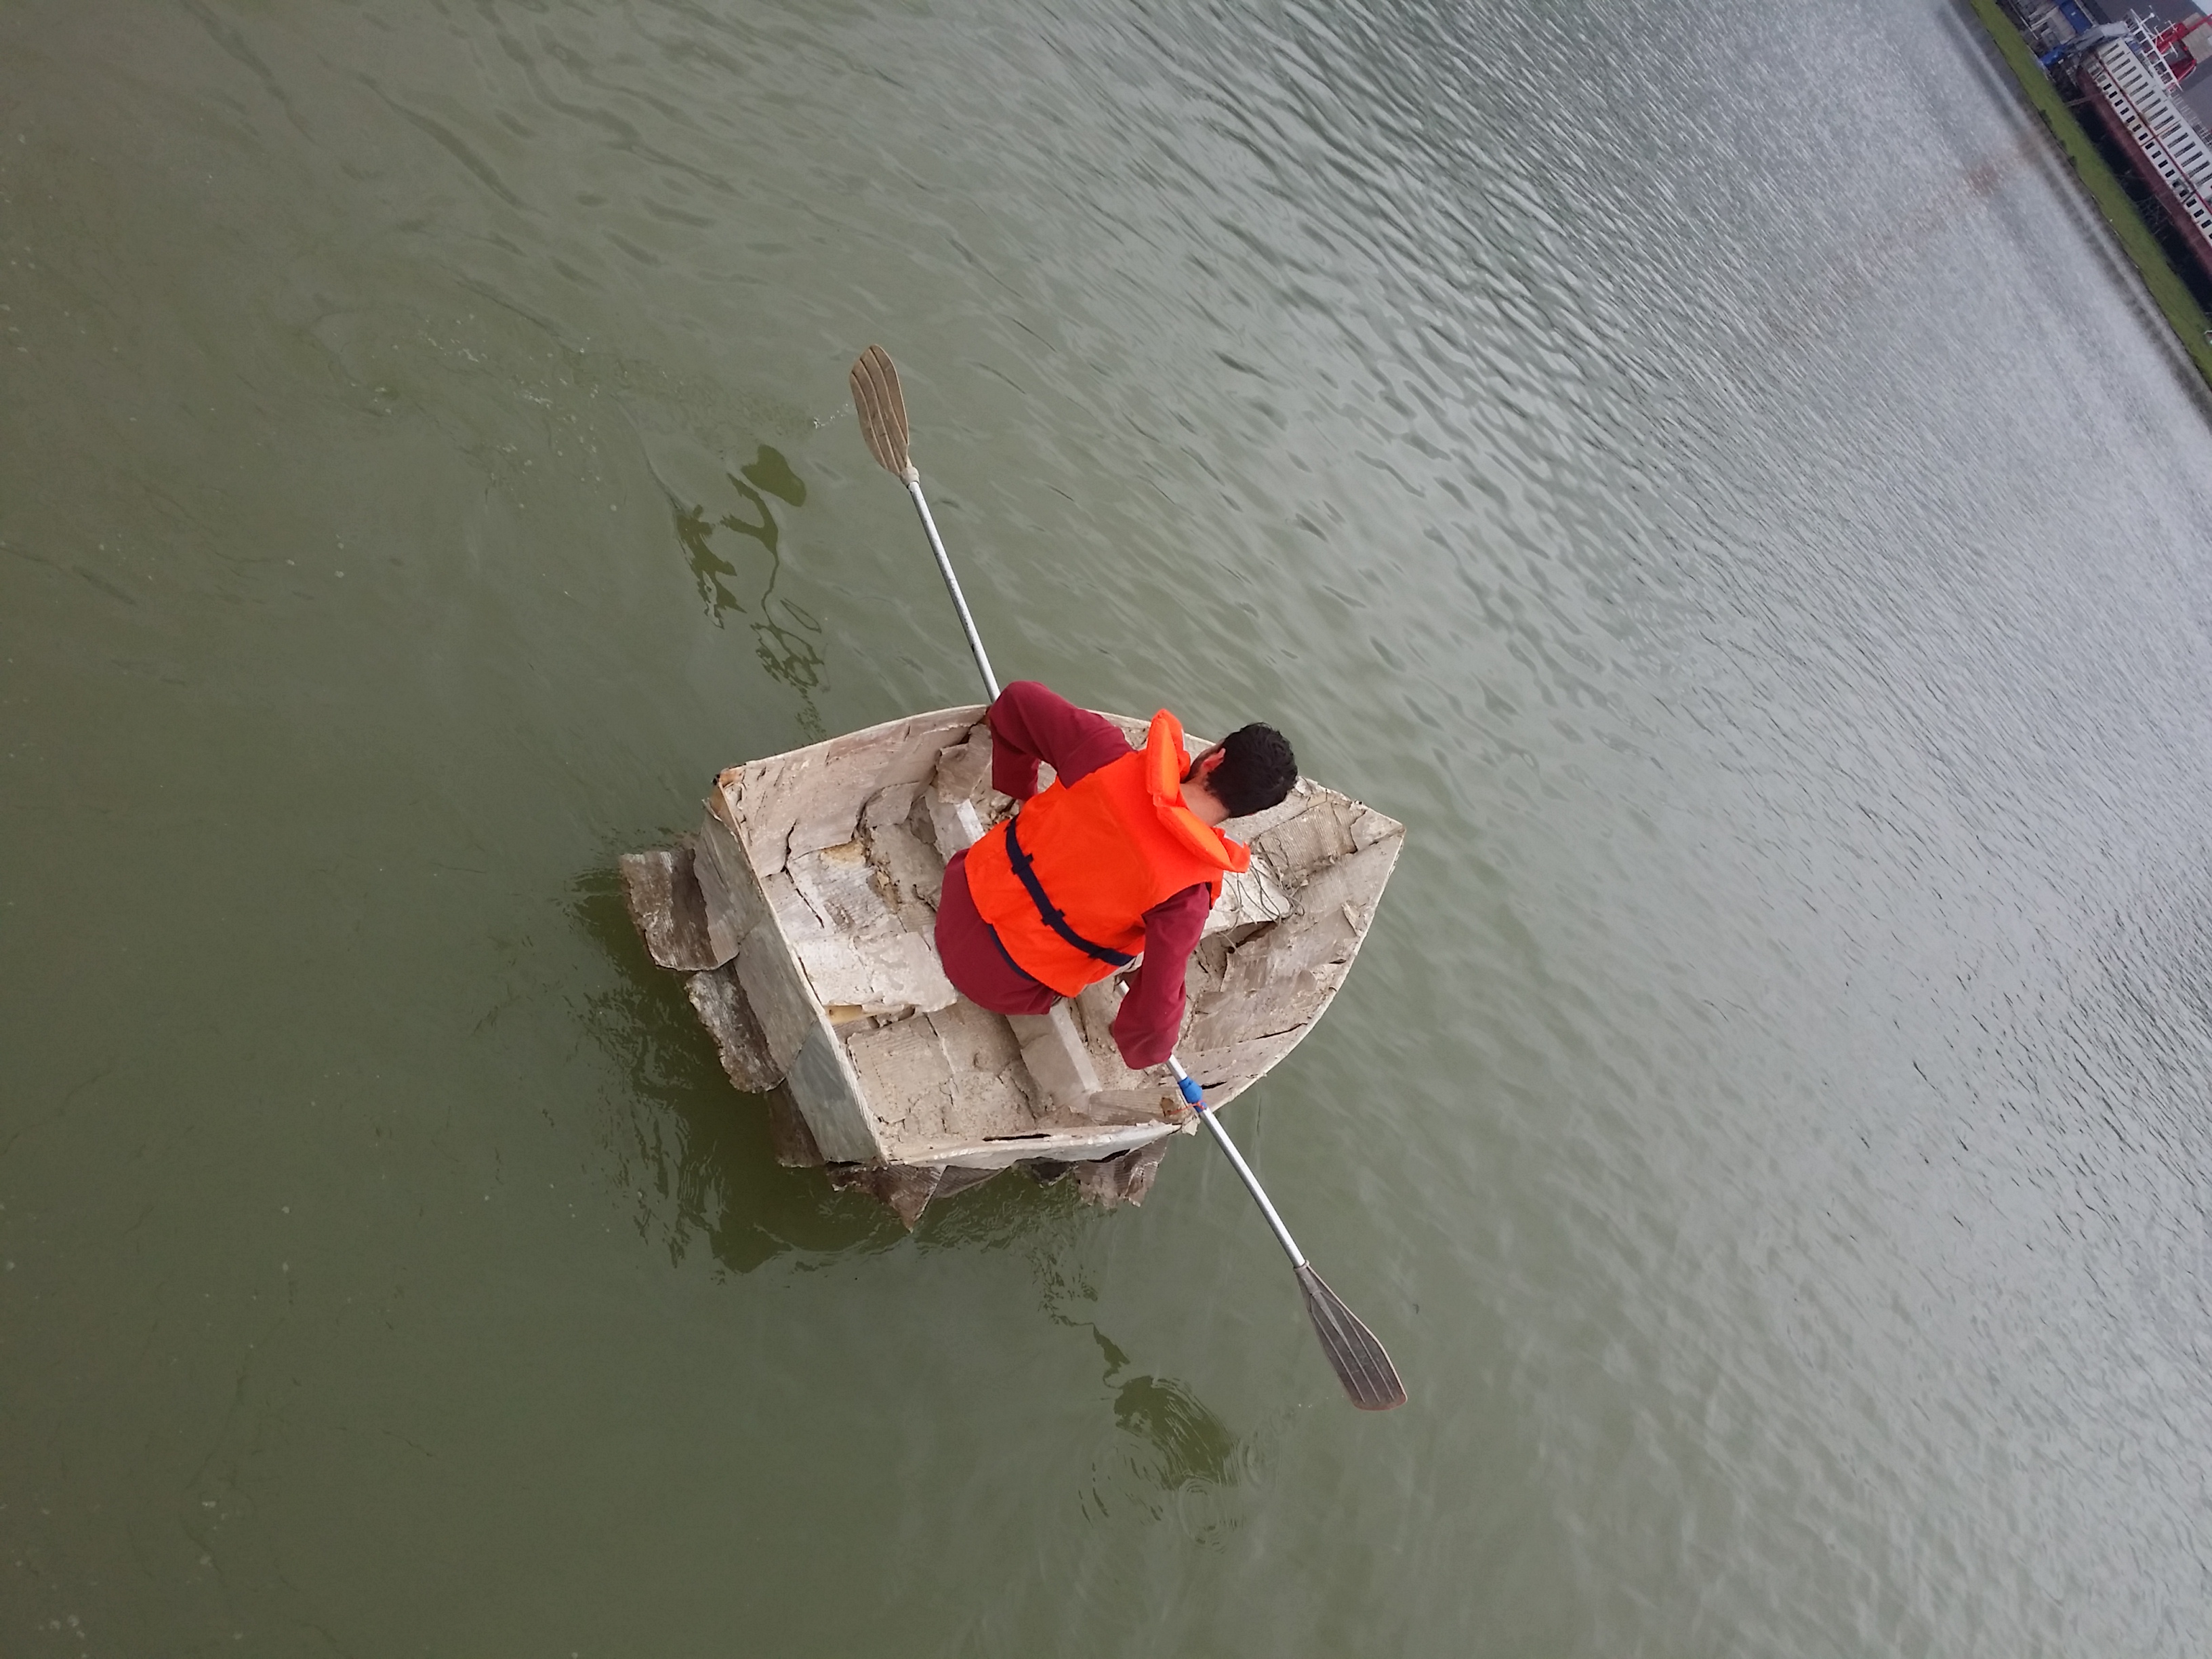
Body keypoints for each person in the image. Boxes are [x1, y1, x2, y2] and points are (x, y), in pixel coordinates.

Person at [934, 680, 1299, 1070]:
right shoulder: (1188, 897)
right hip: (1003, 987)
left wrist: (1020, 789)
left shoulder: (1103, 752)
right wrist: (1145, 1051)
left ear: (1213, 758)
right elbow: (1156, 1013)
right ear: (1246, 813)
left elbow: (1017, 702)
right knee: (1135, 947)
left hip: (957, 900)